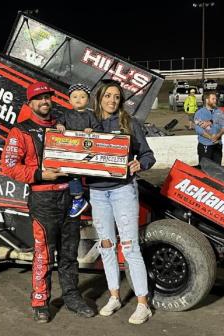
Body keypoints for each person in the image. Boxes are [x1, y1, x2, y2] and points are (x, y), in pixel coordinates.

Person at [1, 81, 95, 323]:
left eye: (47, 97)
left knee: (69, 252)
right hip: (43, 198)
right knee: (44, 253)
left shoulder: (63, 125)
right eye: (39, 98)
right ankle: (40, 301)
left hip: (70, 197)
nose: (45, 102)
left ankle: (72, 297)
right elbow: (9, 166)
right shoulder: (20, 130)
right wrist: (41, 174)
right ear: (30, 103)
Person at [87, 81, 156, 325]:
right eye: (108, 96)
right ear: (99, 98)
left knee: (129, 247)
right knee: (106, 245)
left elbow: (148, 155)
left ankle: (142, 304)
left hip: (123, 190)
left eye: (116, 97)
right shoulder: (89, 122)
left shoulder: (129, 123)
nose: (112, 100)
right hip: (97, 192)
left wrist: (140, 164)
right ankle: (114, 296)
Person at [56, 83, 102, 217]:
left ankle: (94, 199)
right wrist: (59, 125)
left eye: (82, 97)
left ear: (88, 100)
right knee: (72, 175)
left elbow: (99, 129)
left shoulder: (90, 115)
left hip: (88, 150)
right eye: (75, 97)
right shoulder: (66, 114)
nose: (78, 99)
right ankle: (78, 198)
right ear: (69, 100)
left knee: (91, 176)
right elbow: (57, 123)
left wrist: (92, 130)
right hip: (71, 149)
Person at [194, 91, 224, 165]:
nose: (215, 100)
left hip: (217, 145)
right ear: (207, 100)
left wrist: (217, 136)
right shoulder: (199, 113)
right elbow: (199, 130)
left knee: (217, 169)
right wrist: (210, 137)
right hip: (205, 145)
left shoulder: (219, 112)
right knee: (205, 169)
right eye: (213, 99)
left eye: (216, 99)